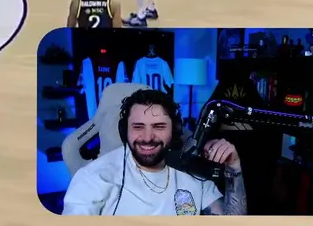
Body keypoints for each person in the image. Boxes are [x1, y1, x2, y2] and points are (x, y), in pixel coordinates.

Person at [62, 89, 246, 215]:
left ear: (174, 130)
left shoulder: (193, 172)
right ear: (124, 131)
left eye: (159, 126)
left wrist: (234, 166)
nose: (147, 137)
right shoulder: (94, 178)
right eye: (138, 126)